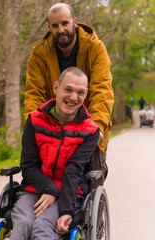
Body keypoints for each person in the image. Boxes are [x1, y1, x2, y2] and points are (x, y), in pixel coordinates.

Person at [23, 3, 114, 187]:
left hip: (87, 125)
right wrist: (32, 128)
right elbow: (33, 94)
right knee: (41, 182)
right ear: (49, 27)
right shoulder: (39, 54)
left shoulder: (95, 48)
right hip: (51, 126)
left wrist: (97, 127)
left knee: (90, 185)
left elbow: (102, 90)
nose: (61, 29)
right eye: (55, 26)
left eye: (65, 23)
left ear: (75, 22)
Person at [10, 67, 100, 239]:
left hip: (69, 194)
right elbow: (28, 166)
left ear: (86, 94)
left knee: (42, 227)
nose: (73, 97)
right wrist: (49, 189)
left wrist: (67, 211)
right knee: (23, 224)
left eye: (80, 92)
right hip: (33, 190)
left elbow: (74, 171)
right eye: (68, 90)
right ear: (56, 88)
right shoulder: (35, 120)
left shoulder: (90, 131)